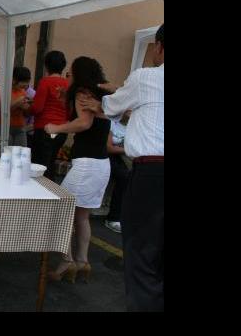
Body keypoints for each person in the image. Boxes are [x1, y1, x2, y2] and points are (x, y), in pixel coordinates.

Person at [79, 24, 164, 312]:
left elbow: (114, 107)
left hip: (153, 176)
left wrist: (98, 100)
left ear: (159, 48)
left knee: (142, 254)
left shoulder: (146, 78)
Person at [44, 56, 111, 284]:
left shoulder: (82, 92)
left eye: (70, 73)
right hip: (101, 163)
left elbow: (84, 123)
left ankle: (67, 261)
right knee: (82, 217)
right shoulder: (100, 94)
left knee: (63, 213)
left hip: (87, 164)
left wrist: (57, 127)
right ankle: (82, 261)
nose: (67, 76)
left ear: (79, 74)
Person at [29, 50, 69, 180]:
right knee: (50, 162)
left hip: (45, 129)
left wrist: (27, 109)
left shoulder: (45, 82)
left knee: (40, 165)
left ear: (46, 65)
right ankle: (50, 191)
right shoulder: (67, 84)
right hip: (62, 130)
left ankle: (41, 194)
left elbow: (37, 108)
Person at [104, 111, 132, 234]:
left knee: (132, 176)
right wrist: (127, 149)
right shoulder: (111, 122)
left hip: (121, 157)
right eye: (129, 108)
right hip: (105, 155)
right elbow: (108, 147)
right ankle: (113, 218)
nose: (131, 111)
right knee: (124, 176)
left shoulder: (133, 126)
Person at [9, 66, 32, 147]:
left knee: (22, 153)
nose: (25, 87)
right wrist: (18, 102)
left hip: (20, 127)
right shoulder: (6, 90)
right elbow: (6, 109)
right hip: (7, 127)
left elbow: (26, 113)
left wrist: (28, 107)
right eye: (22, 85)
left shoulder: (22, 92)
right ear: (14, 80)